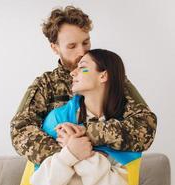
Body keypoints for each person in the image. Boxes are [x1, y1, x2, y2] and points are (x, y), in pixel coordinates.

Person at [10, 6, 157, 166]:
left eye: (86, 42)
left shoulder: (110, 76)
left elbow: (145, 126)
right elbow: (20, 131)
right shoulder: (46, 84)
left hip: (107, 179)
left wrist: (89, 135)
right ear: (55, 48)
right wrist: (68, 154)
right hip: (56, 181)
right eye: (72, 46)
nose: (82, 51)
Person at [29, 49, 141, 185]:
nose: (73, 73)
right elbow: (42, 182)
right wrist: (71, 154)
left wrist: (82, 154)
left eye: (82, 67)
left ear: (103, 75)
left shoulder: (124, 129)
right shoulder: (58, 118)